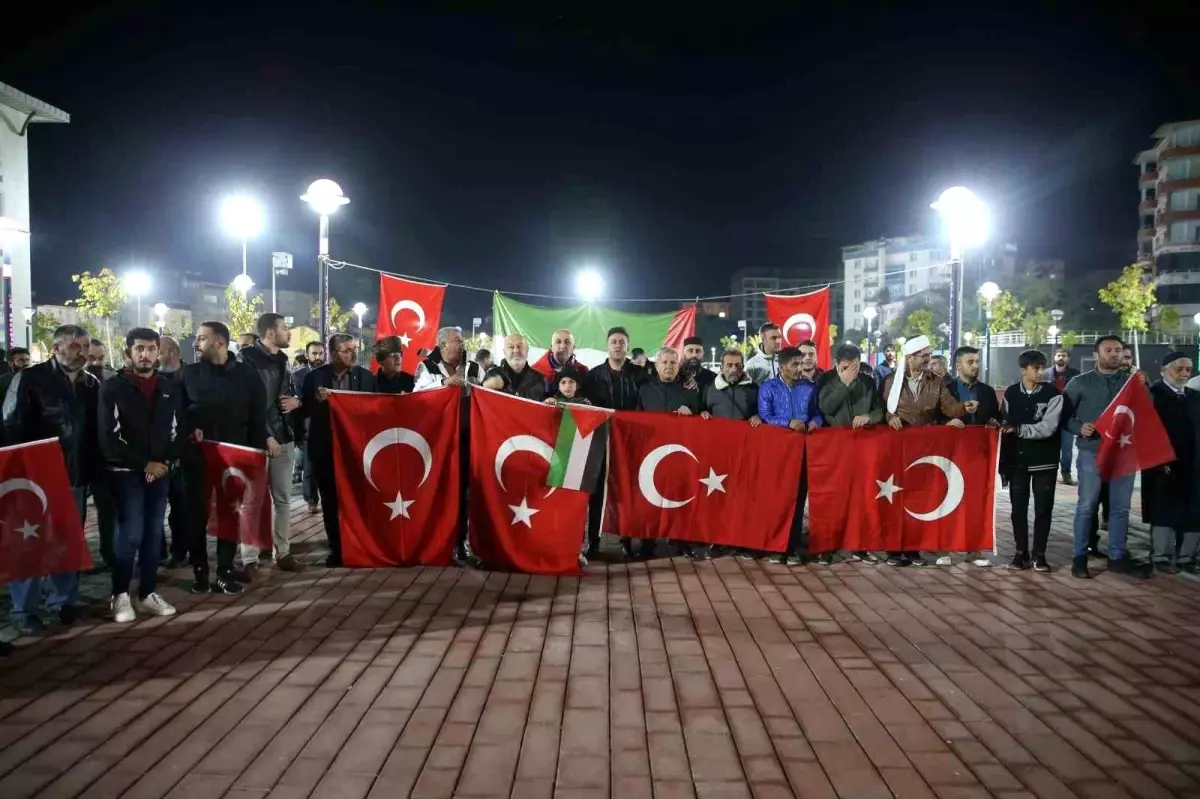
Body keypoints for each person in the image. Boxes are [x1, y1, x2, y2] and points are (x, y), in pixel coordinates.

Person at [2, 325, 100, 635]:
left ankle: (62, 599)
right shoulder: (31, 379)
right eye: (74, 346)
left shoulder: (91, 384)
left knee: (66, 539)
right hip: (35, 476)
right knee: (28, 541)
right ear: (56, 348)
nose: (81, 352)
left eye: (84, 346)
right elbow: (10, 424)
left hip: (74, 475)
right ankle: (24, 609)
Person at [98, 328, 183, 622]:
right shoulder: (113, 388)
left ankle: (147, 593)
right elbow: (109, 439)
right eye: (139, 349)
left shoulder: (169, 387)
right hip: (125, 473)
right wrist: (144, 464)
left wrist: (162, 462)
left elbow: (177, 431)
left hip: (159, 472)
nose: (145, 354)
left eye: (150, 348)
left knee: (153, 535)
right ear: (128, 353)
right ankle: (120, 595)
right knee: (131, 533)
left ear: (158, 352)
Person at [178, 321, 267, 594]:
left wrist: (256, 454)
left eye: (201, 338)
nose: (196, 343)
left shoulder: (248, 376)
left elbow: (257, 416)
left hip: (235, 458)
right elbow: (176, 414)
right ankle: (200, 570)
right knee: (195, 515)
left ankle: (224, 569)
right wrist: (188, 430)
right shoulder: (187, 375)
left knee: (230, 513)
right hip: (197, 458)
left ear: (220, 342)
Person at [881, 335, 973, 567]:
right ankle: (894, 550)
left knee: (919, 498)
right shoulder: (892, 381)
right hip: (898, 448)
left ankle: (913, 549)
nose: (928, 360)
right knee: (896, 497)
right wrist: (890, 417)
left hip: (924, 448)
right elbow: (882, 408)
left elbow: (949, 406)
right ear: (910, 358)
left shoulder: (936, 381)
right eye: (924, 356)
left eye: (929, 356)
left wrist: (963, 408)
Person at [1063, 335, 1148, 579]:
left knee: (1120, 508)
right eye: (1108, 350)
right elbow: (1063, 416)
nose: (1114, 354)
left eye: (1118, 350)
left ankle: (1117, 556)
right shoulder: (1079, 383)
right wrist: (1079, 428)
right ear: (1096, 355)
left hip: (1124, 453)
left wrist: (1143, 387)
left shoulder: (1132, 383)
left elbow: (1147, 412)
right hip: (1092, 452)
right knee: (1086, 505)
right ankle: (1079, 557)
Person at [299, 333, 377, 568]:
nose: (354, 354)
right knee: (331, 501)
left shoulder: (366, 378)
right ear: (333, 354)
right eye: (348, 350)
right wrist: (315, 399)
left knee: (359, 500)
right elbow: (303, 410)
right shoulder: (315, 377)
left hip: (357, 449)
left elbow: (376, 409)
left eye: (355, 349)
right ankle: (337, 549)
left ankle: (361, 545)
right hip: (325, 449)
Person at [237, 313, 304, 579]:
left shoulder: (282, 359)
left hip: (284, 436)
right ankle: (249, 559)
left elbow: (285, 394)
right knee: (251, 501)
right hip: (257, 440)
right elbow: (249, 404)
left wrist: (296, 402)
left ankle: (283, 553)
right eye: (285, 328)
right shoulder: (246, 359)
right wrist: (265, 435)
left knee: (284, 500)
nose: (289, 333)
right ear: (269, 333)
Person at [415, 327, 482, 566]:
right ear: (442, 345)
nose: (461, 345)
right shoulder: (427, 368)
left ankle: (460, 543)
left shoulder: (474, 368)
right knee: (440, 490)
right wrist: (444, 383)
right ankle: (437, 541)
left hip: (468, 439)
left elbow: (486, 394)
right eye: (457, 341)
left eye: (462, 341)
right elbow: (418, 393)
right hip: (439, 442)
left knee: (465, 492)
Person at [817, 343, 885, 564]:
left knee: (860, 498)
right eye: (848, 367)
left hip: (862, 447)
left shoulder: (867, 381)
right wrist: (844, 384)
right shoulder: (826, 380)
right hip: (834, 448)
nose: (853, 371)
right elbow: (825, 408)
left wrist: (869, 418)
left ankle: (860, 546)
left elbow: (879, 410)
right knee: (832, 498)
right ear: (838, 364)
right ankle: (827, 545)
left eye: (856, 366)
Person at [999, 349, 1063, 573]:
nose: (1040, 372)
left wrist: (1017, 430)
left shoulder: (1053, 394)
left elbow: (1048, 428)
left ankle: (1040, 554)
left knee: (1043, 508)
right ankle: (1020, 552)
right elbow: (1003, 422)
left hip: (1045, 460)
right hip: (1017, 460)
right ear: (1023, 370)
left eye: (1042, 367)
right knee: (1018, 509)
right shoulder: (1011, 393)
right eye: (1035, 368)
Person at [758, 346, 822, 564]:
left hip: (804, 453)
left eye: (801, 363)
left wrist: (815, 422)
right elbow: (765, 416)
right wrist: (787, 423)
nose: (799, 367)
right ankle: (775, 546)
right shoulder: (768, 388)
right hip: (778, 454)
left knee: (798, 499)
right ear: (781, 366)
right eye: (794, 364)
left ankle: (792, 546)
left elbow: (819, 413)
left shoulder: (810, 388)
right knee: (777, 500)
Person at [943, 345, 1003, 567]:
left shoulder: (987, 391)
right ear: (958, 365)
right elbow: (936, 417)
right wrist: (948, 423)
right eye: (971, 362)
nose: (976, 366)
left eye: (977, 361)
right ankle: (945, 547)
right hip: (950, 454)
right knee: (947, 497)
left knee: (976, 500)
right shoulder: (946, 388)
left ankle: (974, 550)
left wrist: (993, 421)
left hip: (977, 455)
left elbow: (996, 417)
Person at [1142, 352, 1200, 574]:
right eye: (1179, 369)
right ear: (1164, 370)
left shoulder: (1195, 397)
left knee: (1194, 509)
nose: (1185, 374)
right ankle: (1161, 555)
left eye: (1188, 369)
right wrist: (1157, 459)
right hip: (1162, 464)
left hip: (1194, 464)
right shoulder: (1153, 395)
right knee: (1163, 508)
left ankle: (1187, 556)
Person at [157, 336, 190, 568]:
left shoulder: (191, 377)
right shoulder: (153, 379)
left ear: (171, 352)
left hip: (185, 452)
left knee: (181, 508)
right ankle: (157, 550)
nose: (153, 357)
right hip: (157, 453)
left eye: (157, 351)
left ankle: (180, 551)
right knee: (154, 507)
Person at [291, 340, 325, 515]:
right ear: (307, 355)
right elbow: (297, 404)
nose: (318, 357)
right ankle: (311, 500)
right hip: (307, 426)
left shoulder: (328, 373)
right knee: (309, 466)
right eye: (314, 354)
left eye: (320, 353)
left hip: (326, 425)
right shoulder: (297, 376)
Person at [1045, 347, 1080, 485]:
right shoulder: (1046, 374)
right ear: (1054, 357)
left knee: (1066, 448)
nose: (1061, 358)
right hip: (1049, 417)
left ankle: (1066, 474)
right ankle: (1049, 474)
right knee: (1050, 447)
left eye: (1064, 355)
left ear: (1068, 358)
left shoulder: (1075, 375)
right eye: (1059, 355)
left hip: (1067, 417)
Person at [701, 348, 761, 425]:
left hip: (745, 436)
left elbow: (763, 411)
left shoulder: (754, 388)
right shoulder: (709, 388)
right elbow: (702, 409)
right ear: (721, 367)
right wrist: (703, 413)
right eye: (729, 365)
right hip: (718, 435)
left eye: (737, 365)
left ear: (742, 367)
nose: (734, 369)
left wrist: (758, 416)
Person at [483, 333, 545, 400]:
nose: (516, 350)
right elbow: (478, 401)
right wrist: (485, 387)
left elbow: (544, 406)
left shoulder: (540, 380)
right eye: (511, 347)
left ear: (527, 350)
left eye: (519, 346)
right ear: (504, 352)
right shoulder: (491, 375)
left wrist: (547, 403)